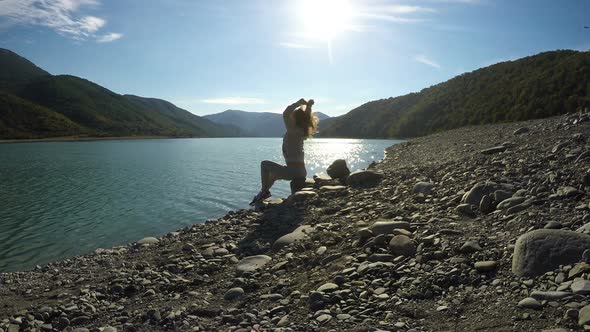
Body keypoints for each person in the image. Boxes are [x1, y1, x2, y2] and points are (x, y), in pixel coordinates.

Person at [250, 98, 319, 205]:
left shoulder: (293, 130)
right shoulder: (301, 130)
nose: (291, 118)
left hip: (294, 171)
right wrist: (309, 107)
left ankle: (264, 192)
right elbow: (305, 116)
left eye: (293, 116)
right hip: (299, 170)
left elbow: (286, 113)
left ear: (295, 118)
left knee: (264, 164)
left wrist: (297, 103)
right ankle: (263, 194)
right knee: (274, 175)